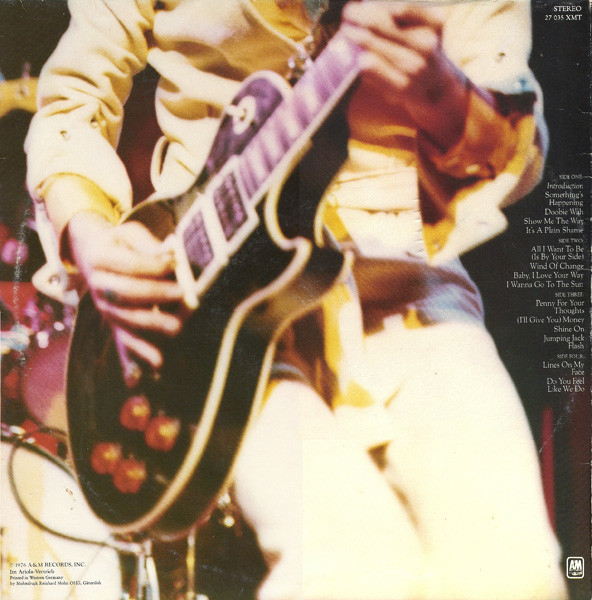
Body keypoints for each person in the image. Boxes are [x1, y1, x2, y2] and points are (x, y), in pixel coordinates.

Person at [26, 1, 567, 598]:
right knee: (348, 570)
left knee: (517, 573)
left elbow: (518, 142)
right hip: (202, 301)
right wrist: (89, 231)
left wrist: (441, 94)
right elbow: (74, 99)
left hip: (404, 280)